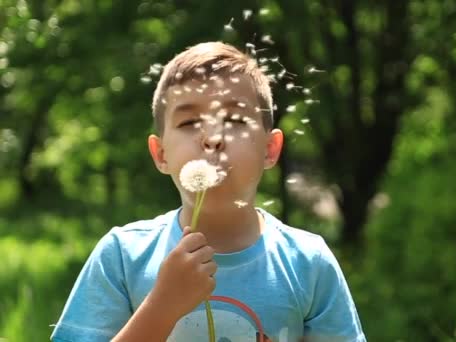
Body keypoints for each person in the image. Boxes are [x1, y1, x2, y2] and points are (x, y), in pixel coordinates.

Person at [50, 42, 366, 342]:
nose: (213, 138)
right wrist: (162, 307)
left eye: (233, 119)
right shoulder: (122, 257)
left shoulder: (308, 263)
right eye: (189, 122)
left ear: (270, 149)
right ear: (161, 154)